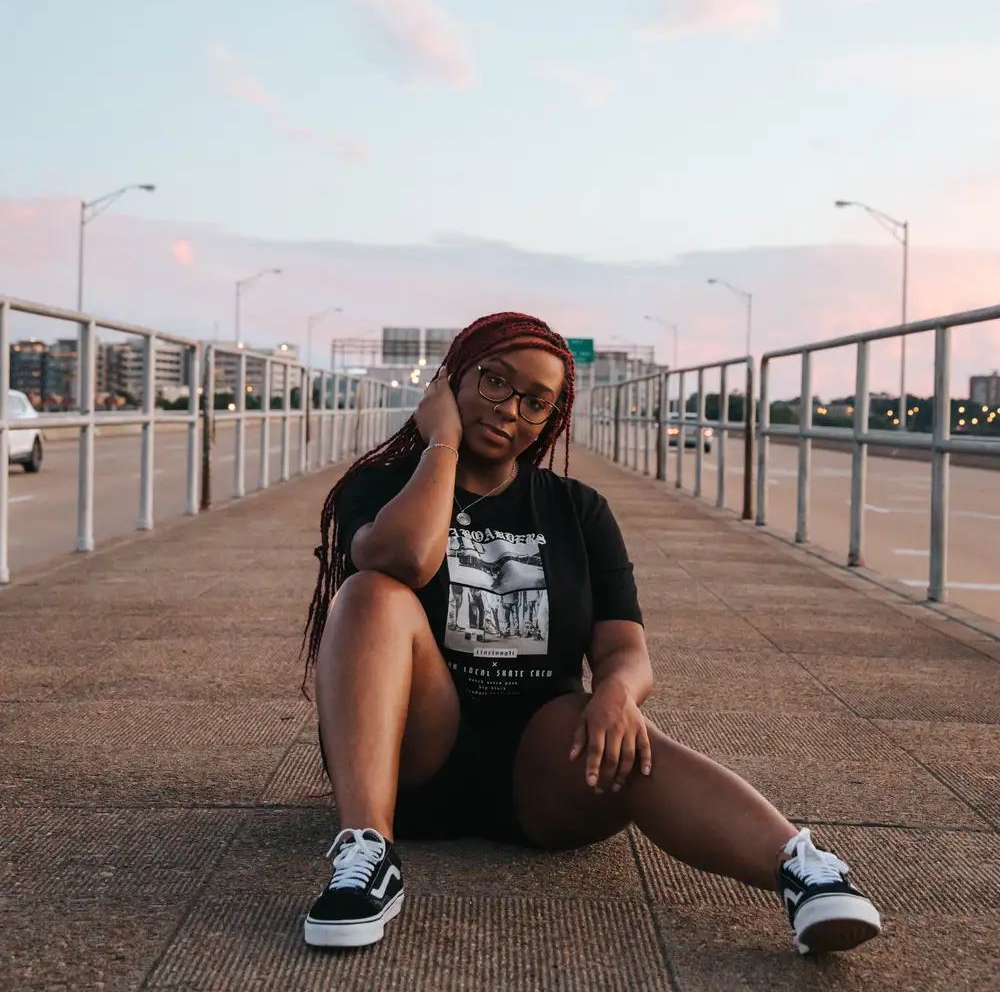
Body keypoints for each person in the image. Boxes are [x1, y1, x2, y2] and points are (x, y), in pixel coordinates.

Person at [301, 311, 882, 956]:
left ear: (552, 418)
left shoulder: (578, 510)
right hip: (410, 757)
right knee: (371, 593)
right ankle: (367, 855)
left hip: (544, 769)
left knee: (627, 731)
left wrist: (617, 694)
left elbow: (624, 649)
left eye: (534, 402)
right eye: (493, 382)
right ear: (450, 380)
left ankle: (802, 871)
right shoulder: (382, 486)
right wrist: (439, 444)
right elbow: (406, 558)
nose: (508, 410)